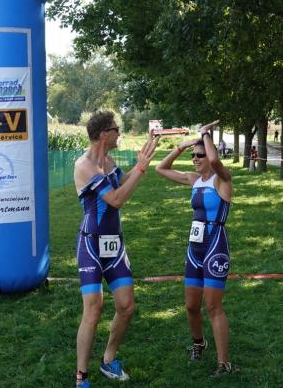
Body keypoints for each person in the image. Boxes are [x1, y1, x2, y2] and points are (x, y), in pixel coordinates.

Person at [72, 111, 158, 387]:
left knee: (126, 306)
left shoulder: (108, 161)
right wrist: (140, 169)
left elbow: (122, 181)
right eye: (115, 128)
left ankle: (108, 359)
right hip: (91, 245)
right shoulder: (85, 166)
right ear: (103, 134)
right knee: (93, 310)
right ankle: (82, 377)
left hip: (114, 245)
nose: (119, 132)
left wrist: (143, 161)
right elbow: (117, 199)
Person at [155, 120, 236, 377]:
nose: (196, 159)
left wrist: (204, 135)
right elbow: (160, 168)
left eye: (200, 155)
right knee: (191, 306)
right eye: (193, 155)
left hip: (215, 246)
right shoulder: (194, 180)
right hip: (194, 248)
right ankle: (199, 343)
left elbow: (216, 161)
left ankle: (224, 363)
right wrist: (182, 146)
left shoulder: (222, 180)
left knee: (213, 306)